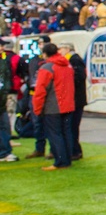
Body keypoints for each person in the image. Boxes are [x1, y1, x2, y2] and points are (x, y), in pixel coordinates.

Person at [32, 42, 75, 171]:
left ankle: (60, 161)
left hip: (53, 106)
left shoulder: (47, 68)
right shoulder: (67, 65)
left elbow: (40, 90)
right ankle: (67, 159)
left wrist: (37, 108)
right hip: (68, 104)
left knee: (55, 134)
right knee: (66, 133)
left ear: (45, 54)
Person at [58, 43, 87, 160]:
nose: (59, 51)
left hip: (76, 99)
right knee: (71, 127)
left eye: (61, 48)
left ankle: (75, 151)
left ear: (67, 49)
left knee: (72, 126)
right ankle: (74, 150)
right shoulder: (73, 60)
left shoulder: (74, 60)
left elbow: (79, 77)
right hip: (75, 98)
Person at [0, 40, 17, 162]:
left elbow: (6, 79)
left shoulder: (3, 60)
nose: (2, 47)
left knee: (5, 125)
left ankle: (5, 152)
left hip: (2, 99)